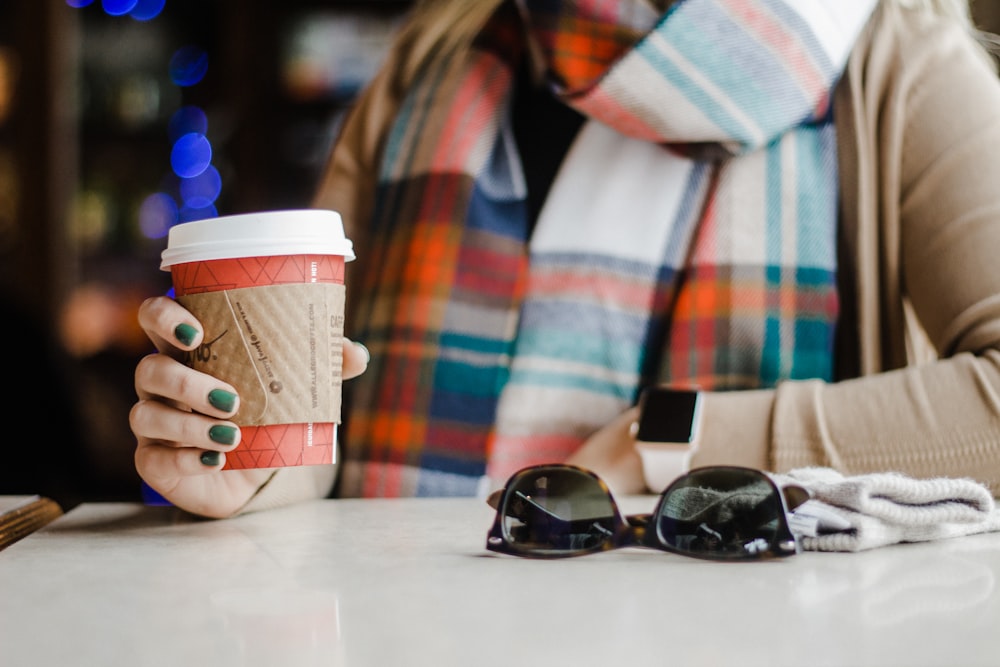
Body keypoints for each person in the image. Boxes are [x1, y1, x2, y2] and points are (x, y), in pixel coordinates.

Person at [131, 0, 1000, 519]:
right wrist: (244, 474)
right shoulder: (426, 61)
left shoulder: (896, 59)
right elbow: (323, 437)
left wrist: (670, 438)